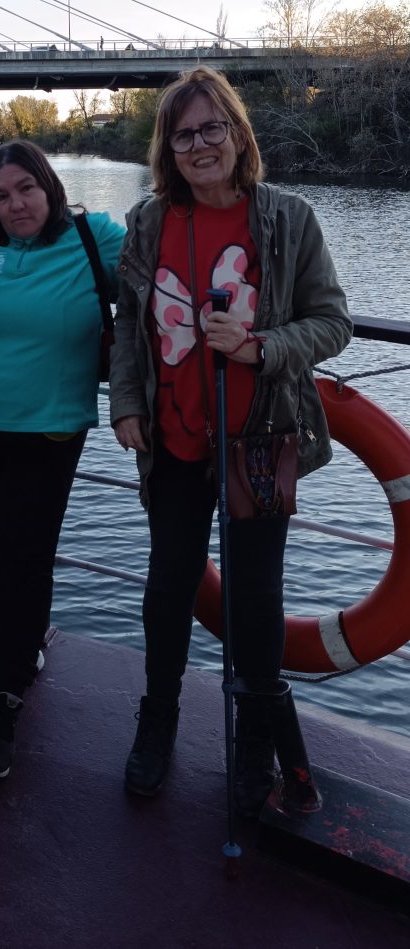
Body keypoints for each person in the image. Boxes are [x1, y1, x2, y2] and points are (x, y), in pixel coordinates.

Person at [109, 66, 351, 812]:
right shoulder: (150, 222)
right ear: (167, 149)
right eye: (183, 135)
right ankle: (158, 720)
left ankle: (253, 742)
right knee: (167, 587)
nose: (200, 144)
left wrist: (259, 346)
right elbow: (129, 325)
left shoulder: (289, 219)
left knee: (255, 596)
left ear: (239, 134)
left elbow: (332, 322)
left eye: (212, 127)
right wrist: (126, 403)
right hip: (175, 439)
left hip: (259, 439)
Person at [0, 140, 125, 779]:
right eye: (1, 197)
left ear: (50, 186)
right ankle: (14, 648)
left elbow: (166, 276)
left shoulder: (95, 239)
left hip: (50, 429)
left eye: (26, 189)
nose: (15, 205)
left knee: (24, 553)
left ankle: (5, 700)